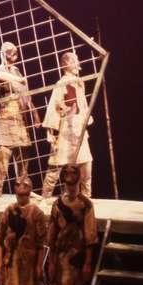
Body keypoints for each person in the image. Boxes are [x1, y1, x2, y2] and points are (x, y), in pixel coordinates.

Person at [46, 165, 97, 285]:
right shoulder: (58, 203)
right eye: (66, 174)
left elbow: (90, 235)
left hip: (77, 258)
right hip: (61, 258)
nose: (69, 177)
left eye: (73, 174)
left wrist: (88, 262)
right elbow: (52, 233)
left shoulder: (85, 204)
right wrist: (51, 261)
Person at [0, 42, 41, 199]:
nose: (14, 56)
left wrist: (35, 115)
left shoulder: (18, 72)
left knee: (23, 157)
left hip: (20, 119)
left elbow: (27, 96)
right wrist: (19, 80)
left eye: (16, 53)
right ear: (4, 54)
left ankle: (24, 188)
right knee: (1, 160)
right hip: (6, 119)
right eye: (11, 53)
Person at [42, 51, 93, 198]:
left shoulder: (79, 82)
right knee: (56, 165)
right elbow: (53, 107)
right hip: (66, 129)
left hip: (79, 128)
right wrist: (50, 132)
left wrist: (86, 117)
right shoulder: (61, 83)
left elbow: (82, 104)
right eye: (75, 61)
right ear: (66, 64)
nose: (78, 64)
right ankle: (45, 198)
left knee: (86, 164)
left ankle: (86, 198)